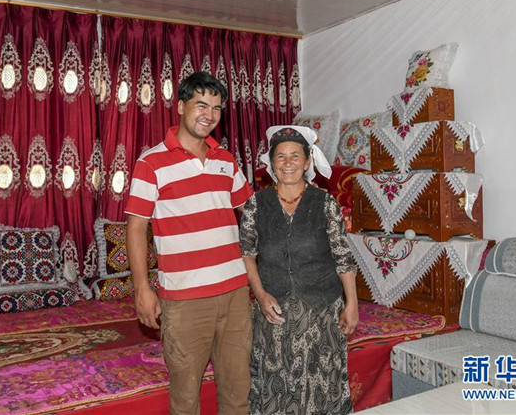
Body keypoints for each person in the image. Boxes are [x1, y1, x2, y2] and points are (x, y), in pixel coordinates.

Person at [125, 72, 254, 415]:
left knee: (239, 392)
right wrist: (142, 288)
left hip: (235, 293)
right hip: (184, 299)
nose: (209, 115)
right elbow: (135, 228)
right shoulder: (151, 162)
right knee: (185, 400)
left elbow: (252, 215)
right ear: (181, 107)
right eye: (201, 105)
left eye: (216, 108)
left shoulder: (226, 159)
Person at [240, 125, 359, 415]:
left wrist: (352, 303)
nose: (288, 163)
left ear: (307, 162)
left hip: (321, 311)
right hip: (275, 312)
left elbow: (342, 257)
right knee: (277, 383)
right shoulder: (256, 204)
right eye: (280, 156)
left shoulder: (325, 203)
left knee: (322, 384)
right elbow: (247, 254)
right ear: (271, 163)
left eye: (295, 156)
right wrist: (260, 294)